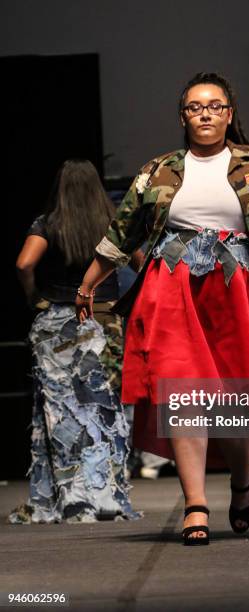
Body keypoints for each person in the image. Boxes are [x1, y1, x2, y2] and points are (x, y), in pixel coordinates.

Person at [75, 72, 249, 544]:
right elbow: (121, 235)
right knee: (183, 396)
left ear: (229, 113)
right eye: (194, 107)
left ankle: (241, 481)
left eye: (214, 105)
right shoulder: (159, 169)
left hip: (239, 290)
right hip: (174, 288)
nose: (205, 113)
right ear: (183, 116)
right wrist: (88, 287)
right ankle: (195, 504)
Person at [9, 159, 142, 524]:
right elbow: (144, 262)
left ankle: (75, 501)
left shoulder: (49, 222)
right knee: (106, 410)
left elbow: (24, 264)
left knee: (62, 413)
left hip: (58, 325)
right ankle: (110, 498)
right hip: (105, 322)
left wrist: (32, 295)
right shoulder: (114, 222)